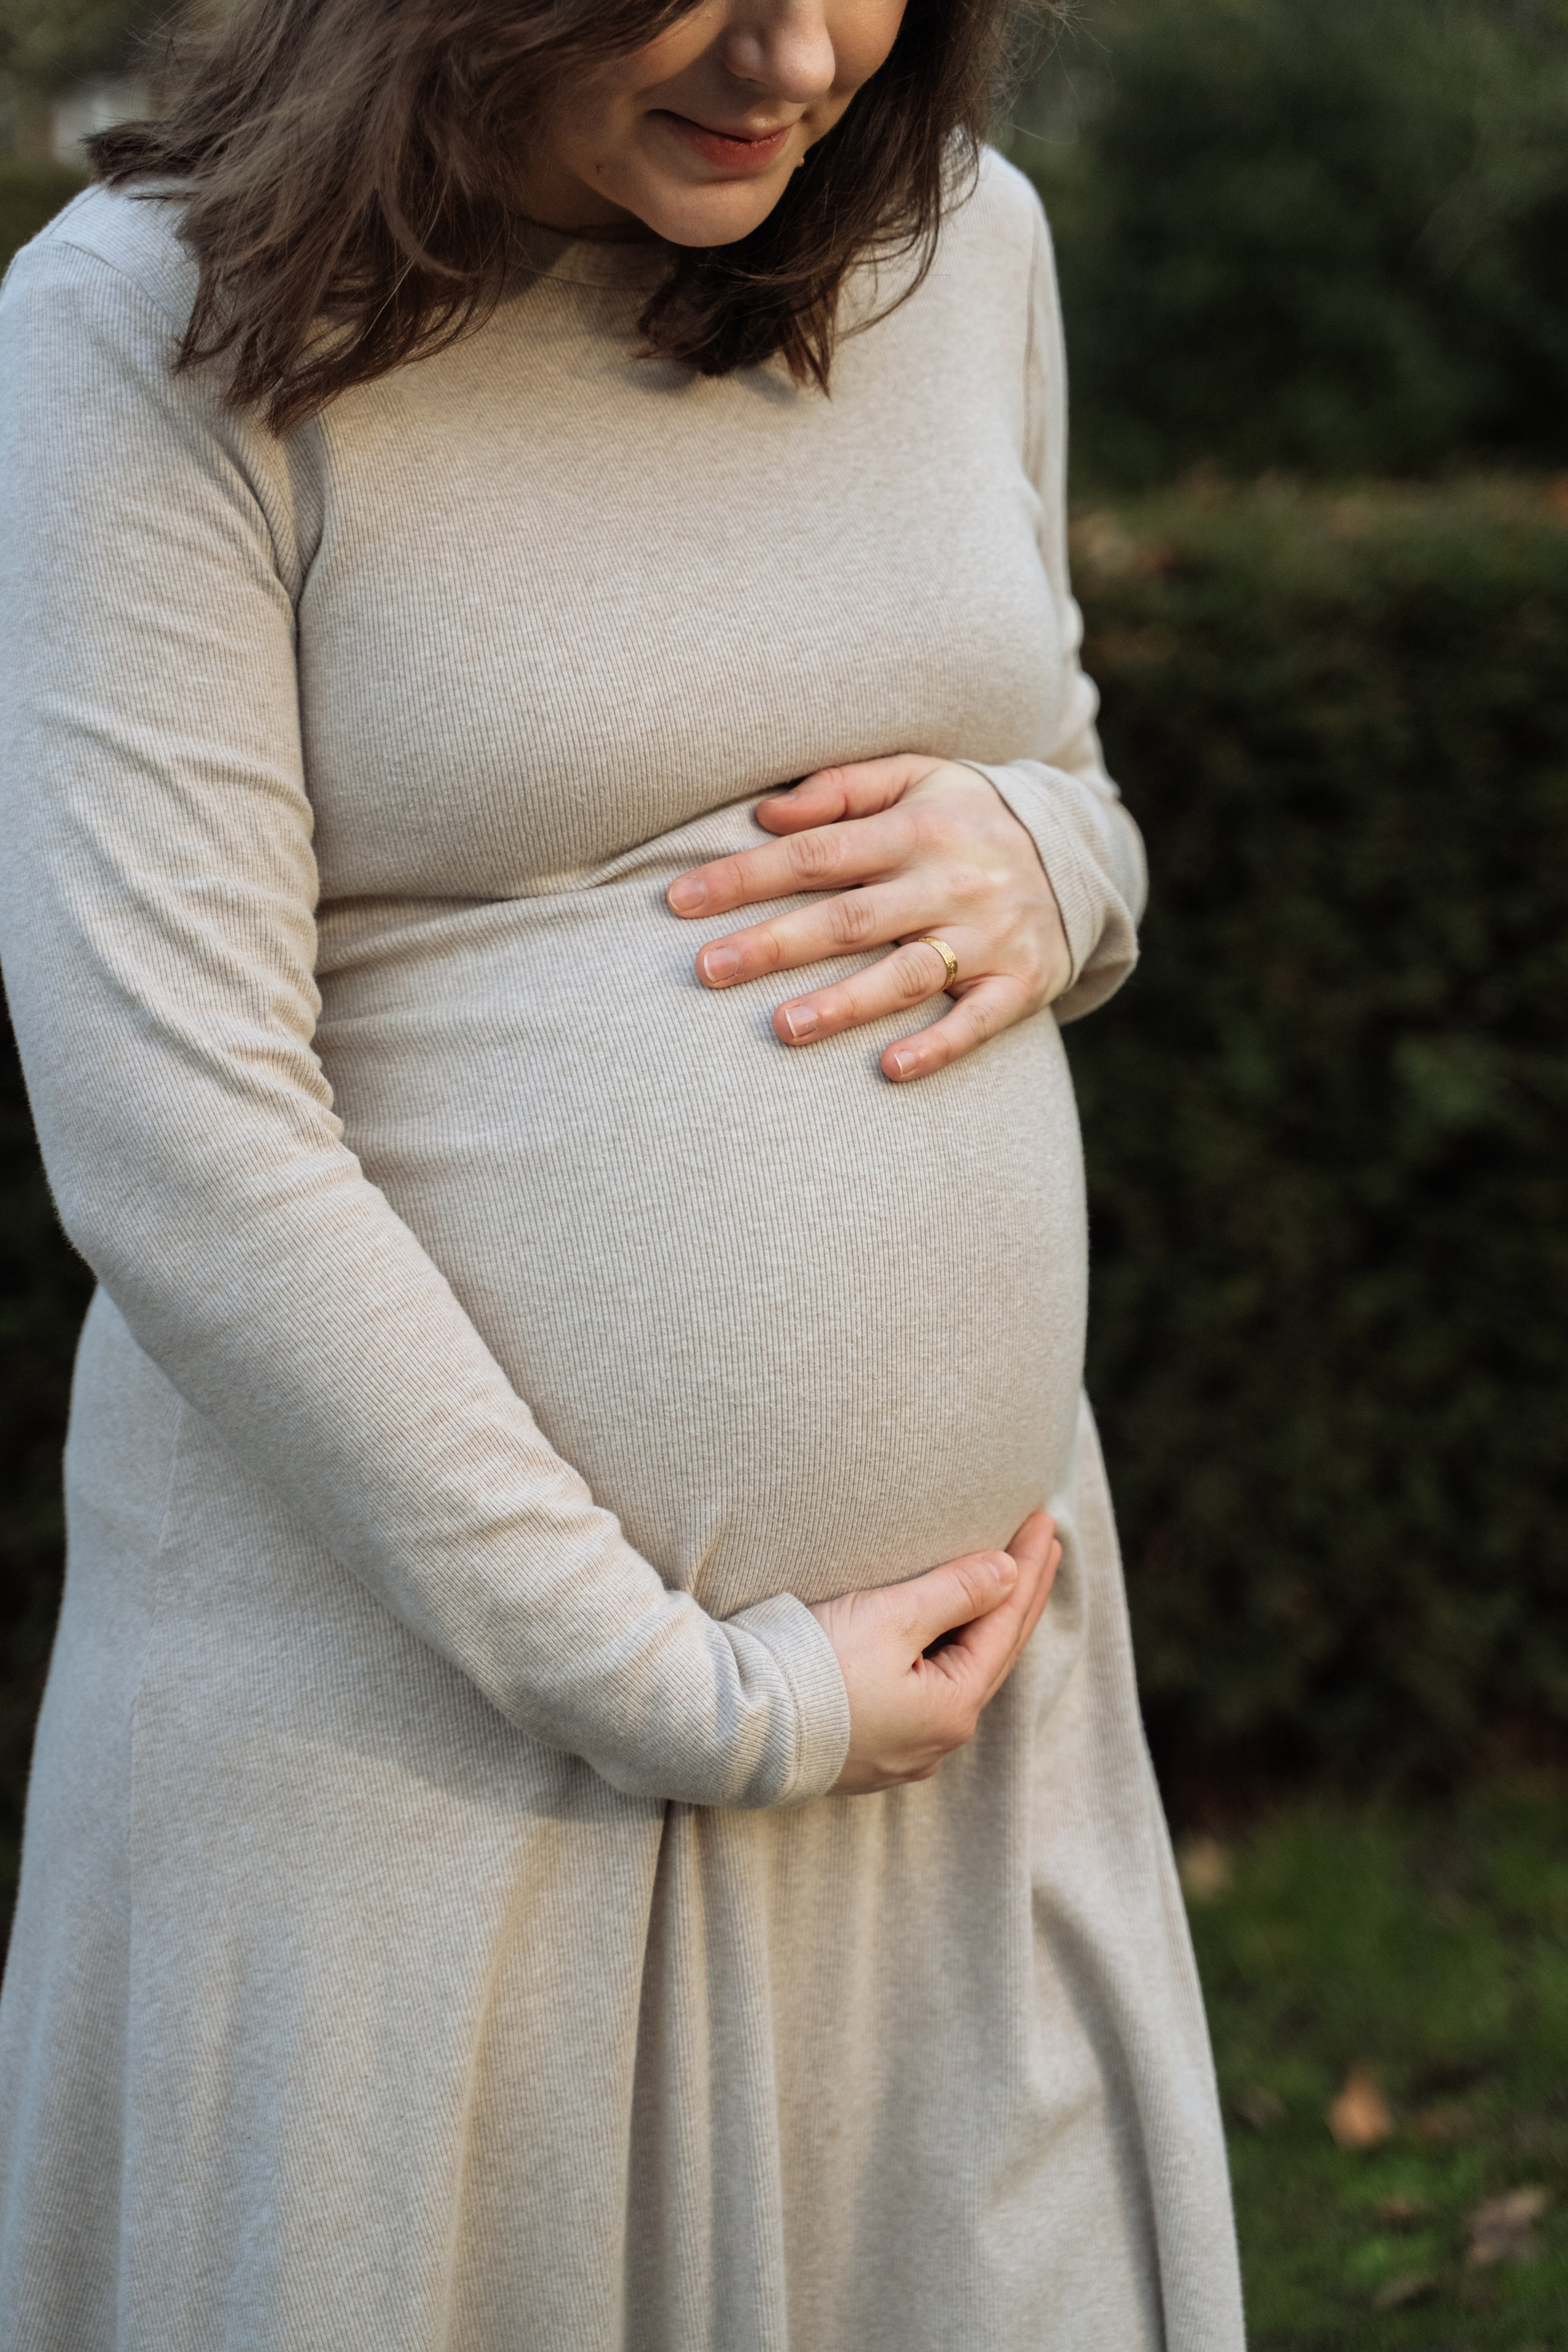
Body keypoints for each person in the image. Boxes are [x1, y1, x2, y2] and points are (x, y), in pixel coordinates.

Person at [0, 0, 1245, 2343]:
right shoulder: (138, 329)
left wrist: (1047, 859)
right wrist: (691, 1689)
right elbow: (175, 1129)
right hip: (416, 1749)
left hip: (944, 1744)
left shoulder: (962, 248)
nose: (794, 55)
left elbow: (1062, 774)